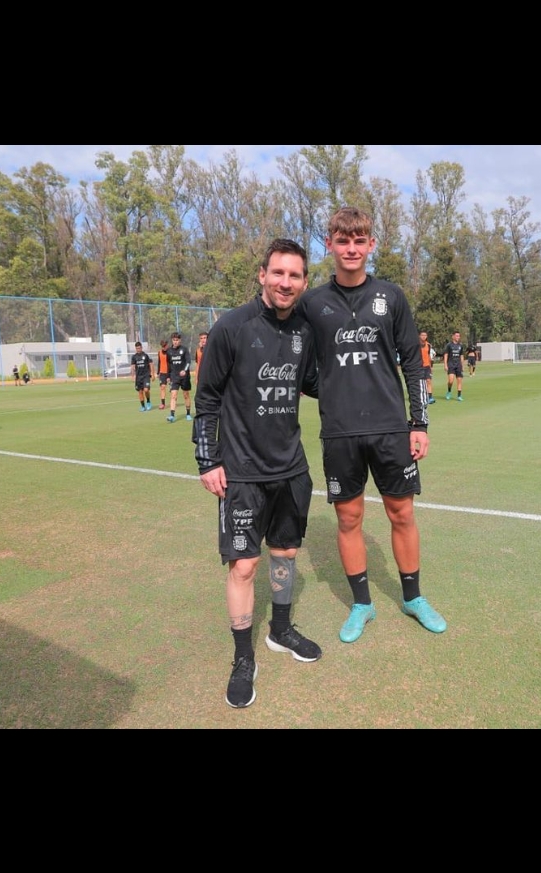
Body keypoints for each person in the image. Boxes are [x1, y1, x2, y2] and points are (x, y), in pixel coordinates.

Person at [296, 206, 445, 642]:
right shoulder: (312, 303)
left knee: (402, 513)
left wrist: (419, 424)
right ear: (329, 244)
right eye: (343, 241)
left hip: (391, 429)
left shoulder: (391, 297)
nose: (351, 249)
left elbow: (413, 363)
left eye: (359, 241)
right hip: (339, 432)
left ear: (371, 245)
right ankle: (362, 604)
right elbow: (298, 363)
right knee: (349, 519)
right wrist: (331, 390)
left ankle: (413, 597)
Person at [193, 238, 322, 709]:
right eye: (278, 273)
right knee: (244, 566)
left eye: (295, 275)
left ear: (303, 282)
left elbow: (314, 383)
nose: (286, 282)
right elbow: (207, 400)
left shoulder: (304, 330)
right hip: (242, 473)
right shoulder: (231, 327)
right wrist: (208, 461)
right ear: (262, 275)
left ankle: (280, 630)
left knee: (285, 553)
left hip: (291, 468)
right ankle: (243, 657)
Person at [165, 332, 193, 423]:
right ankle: (172, 415)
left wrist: (184, 370)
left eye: (177, 340)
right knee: (173, 395)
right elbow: (168, 364)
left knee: (186, 395)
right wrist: (168, 376)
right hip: (174, 376)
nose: (175, 342)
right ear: (172, 340)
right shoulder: (169, 351)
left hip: (185, 377)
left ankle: (188, 414)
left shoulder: (184, 350)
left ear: (180, 340)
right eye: (174, 340)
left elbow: (188, 362)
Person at [444, 331, 464, 401]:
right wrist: (445, 365)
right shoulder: (449, 345)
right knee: (451, 381)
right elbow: (446, 355)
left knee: (459, 381)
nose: (458, 337)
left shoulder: (460, 345)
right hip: (451, 364)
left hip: (458, 365)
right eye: (456, 336)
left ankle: (459, 396)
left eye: (459, 336)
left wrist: (462, 365)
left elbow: (461, 356)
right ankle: (449, 391)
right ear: (453, 336)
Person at [419, 330, 435, 406]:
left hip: (427, 366)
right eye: (422, 335)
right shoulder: (416, 345)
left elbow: (429, 356)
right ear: (419, 336)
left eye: (425, 335)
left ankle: (430, 397)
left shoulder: (428, 345)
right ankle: (421, 397)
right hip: (419, 366)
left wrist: (430, 366)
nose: (424, 337)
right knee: (421, 382)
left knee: (428, 381)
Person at [157, 340, 171, 409]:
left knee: (172, 389)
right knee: (162, 387)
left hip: (170, 373)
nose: (164, 347)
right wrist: (158, 372)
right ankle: (163, 404)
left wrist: (169, 375)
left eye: (165, 346)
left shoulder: (170, 352)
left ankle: (173, 402)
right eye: (163, 346)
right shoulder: (159, 352)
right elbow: (159, 362)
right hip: (162, 372)